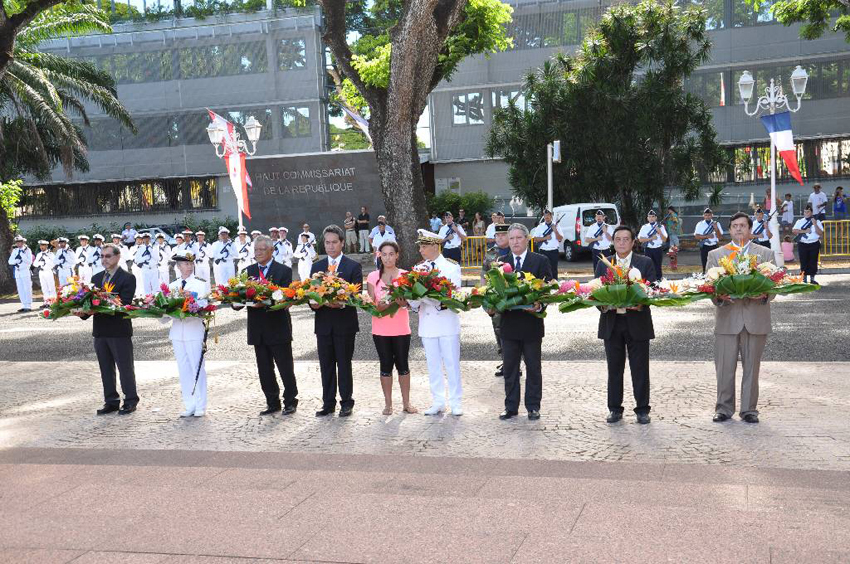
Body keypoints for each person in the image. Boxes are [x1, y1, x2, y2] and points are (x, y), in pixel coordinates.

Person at [707, 212, 775, 424]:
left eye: (743, 225)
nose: (738, 229)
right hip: (727, 318)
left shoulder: (765, 254)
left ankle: (749, 410)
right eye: (734, 226)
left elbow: (774, 286)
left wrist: (764, 294)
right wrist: (719, 296)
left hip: (756, 318)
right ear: (729, 230)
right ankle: (723, 408)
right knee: (724, 367)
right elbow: (709, 287)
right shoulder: (716, 255)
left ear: (750, 229)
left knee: (752, 368)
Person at [595, 226, 656, 424]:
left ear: (632, 242)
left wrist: (640, 303)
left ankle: (642, 410)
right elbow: (595, 292)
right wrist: (604, 305)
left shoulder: (644, 262)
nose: (621, 243)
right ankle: (614, 409)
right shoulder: (604, 263)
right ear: (613, 242)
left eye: (625, 239)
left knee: (640, 368)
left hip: (637, 322)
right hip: (612, 323)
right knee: (614, 369)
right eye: (618, 239)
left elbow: (653, 290)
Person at [497, 224, 552, 421]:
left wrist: (539, 305)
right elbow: (495, 293)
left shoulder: (540, 261)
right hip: (509, 325)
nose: (515, 242)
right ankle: (510, 407)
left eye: (519, 238)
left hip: (531, 325)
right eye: (511, 239)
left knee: (533, 368)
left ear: (527, 239)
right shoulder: (501, 263)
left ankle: (533, 406)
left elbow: (548, 289)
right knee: (510, 369)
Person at [242, 236, 299, 416]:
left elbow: (285, 296)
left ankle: (290, 400)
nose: (257, 253)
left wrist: (266, 302)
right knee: (264, 369)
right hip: (257, 328)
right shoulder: (247, 271)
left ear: (271, 250)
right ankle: (272, 402)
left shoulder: (283, 271)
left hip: (278, 327)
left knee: (285, 367)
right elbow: (240, 295)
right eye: (256, 250)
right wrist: (235, 301)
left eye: (261, 250)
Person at [409, 230, 463, 416]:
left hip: (447, 322)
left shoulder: (450, 267)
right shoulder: (418, 269)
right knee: (432, 365)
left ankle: (456, 402)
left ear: (434, 246)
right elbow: (414, 301)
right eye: (420, 246)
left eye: (424, 246)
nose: (421, 250)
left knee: (451, 364)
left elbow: (452, 295)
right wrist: (413, 299)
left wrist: (427, 298)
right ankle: (438, 401)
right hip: (428, 324)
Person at [310, 225, 362, 417]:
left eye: (334, 242)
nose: (330, 246)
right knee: (326, 365)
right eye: (327, 242)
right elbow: (311, 295)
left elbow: (356, 297)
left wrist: (339, 303)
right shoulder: (316, 267)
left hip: (344, 325)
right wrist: (313, 304)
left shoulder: (353, 266)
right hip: (323, 325)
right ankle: (328, 403)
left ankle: (347, 402)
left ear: (342, 243)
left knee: (344, 363)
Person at [83, 243, 139, 415]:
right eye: (102, 256)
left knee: (125, 368)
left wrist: (100, 306)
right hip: (100, 331)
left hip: (118, 330)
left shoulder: (127, 278)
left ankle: (130, 400)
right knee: (105, 368)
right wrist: (82, 312)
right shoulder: (97, 278)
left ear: (117, 257)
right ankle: (111, 400)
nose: (104, 259)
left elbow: (125, 303)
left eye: (108, 256)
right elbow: (90, 303)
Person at [367, 240, 418, 415]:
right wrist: (380, 306)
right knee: (385, 365)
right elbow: (371, 305)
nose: (388, 258)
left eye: (391, 254)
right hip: (380, 329)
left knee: (403, 365)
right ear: (379, 255)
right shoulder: (373, 277)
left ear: (397, 255)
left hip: (401, 328)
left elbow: (412, 302)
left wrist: (405, 303)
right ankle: (388, 404)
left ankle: (406, 403)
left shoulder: (406, 276)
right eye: (384, 254)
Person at [162, 249, 209, 418]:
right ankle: (189, 404)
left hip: (194, 330)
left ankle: (200, 405)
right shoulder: (173, 286)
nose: (189, 267)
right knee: (183, 369)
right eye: (185, 264)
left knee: (197, 368)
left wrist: (193, 299)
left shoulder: (200, 283)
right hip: (177, 333)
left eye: (191, 264)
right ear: (178, 266)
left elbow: (205, 304)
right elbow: (166, 312)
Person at [482, 224, 511, 377]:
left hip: (512, 298)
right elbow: (483, 276)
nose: (499, 238)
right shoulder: (490, 253)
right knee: (498, 329)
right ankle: (505, 360)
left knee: (512, 330)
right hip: (495, 300)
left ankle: (513, 362)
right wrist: (484, 300)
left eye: (503, 235)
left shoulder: (515, 252)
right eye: (497, 235)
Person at [793, 203, 824, 284]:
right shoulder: (800, 221)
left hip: (814, 244)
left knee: (813, 261)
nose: (806, 213)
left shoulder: (816, 221)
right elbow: (794, 231)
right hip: (803, 244)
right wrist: (804, 231)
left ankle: (812, 278)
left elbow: (820, 233)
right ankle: (804, 278)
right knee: (803, 261)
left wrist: (815, 224)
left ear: (811, 213)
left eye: (808, 212)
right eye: (805, 212)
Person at [531, 209, 563, 279]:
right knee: (543, 269)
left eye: (548, 215)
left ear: (551, 216)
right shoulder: (540, 226)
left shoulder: (556, 226)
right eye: (545, 215)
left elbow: (560, 239)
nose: (546, 217)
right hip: (543, 251)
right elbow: (535, 239)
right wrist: (545, 238)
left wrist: (555, 231)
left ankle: (554, 285)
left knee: (554, 270)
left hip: (554, 251)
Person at [637, 209, 667, 280]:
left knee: (658, 266)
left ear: (656, 217)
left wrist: (659, 232)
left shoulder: (661, 227)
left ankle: (659, 281)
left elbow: (665, 239)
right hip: (648, 249)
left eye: (653, 216)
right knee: (648, 266)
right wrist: (651, 238)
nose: (651, 218)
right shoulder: (644, 227)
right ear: (647, 218)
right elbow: (640, 239)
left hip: (657, 249)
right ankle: (649, 281)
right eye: (650, 217)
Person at [694, 208, 723, 274]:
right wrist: (707, 236)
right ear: (703, 215)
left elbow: (720, 237)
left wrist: (716, 229)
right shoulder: (700, 224)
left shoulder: (717, 224)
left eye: (709, 215)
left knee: (715, 264)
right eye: (706, 215)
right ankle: (705, 277)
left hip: (714, 246)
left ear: (712, 215)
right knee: (705, 263)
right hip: (704, 246)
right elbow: (696, 236)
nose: (707, 216)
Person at [8, 235, 33, 312]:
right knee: (20, 289)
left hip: (25, 271)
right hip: (17, 272)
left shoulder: (27, 250)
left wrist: (22, 256)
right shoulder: (15, 251)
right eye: (17, 242)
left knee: (27, 288)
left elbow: (29, 262)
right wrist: (16, 261)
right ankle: (23, 305)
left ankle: (28, 306)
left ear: (23, 242)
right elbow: (10, 261)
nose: (18, 244)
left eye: (20, 242)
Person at [33, 240, 57, 304]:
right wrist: (39, 262)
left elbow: (53, 264)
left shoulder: (50, 254)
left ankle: (52, 302)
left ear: (46, 246)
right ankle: (46, 302)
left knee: (51, 287)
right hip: (41, 272)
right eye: (41, 246)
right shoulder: (39, 254)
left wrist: (46, 258)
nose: (41, 247)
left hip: (48, 271)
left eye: (43, 245)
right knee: (44, 287)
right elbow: (34, 264)